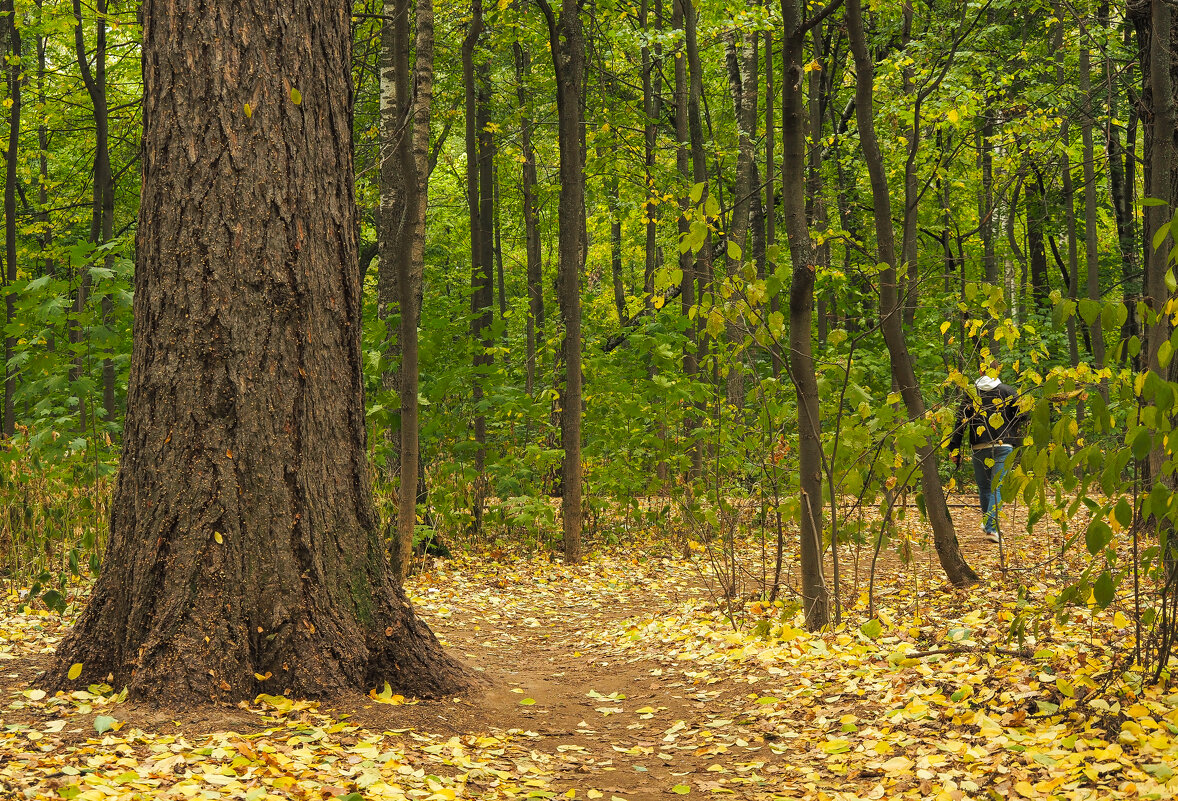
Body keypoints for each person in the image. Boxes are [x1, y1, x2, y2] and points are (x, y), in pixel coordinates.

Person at [947, 363, 1027, 543]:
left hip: (979, 447)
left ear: (980, 371)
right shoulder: (1008, 391)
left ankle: (988, 523)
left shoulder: (972, 394)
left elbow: (960, 422)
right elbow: (1023, 415)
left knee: (984, 487)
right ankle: (990, 527)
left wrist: (955, 449)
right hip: (1003, 445)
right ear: (997, 370)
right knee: (996, 487)